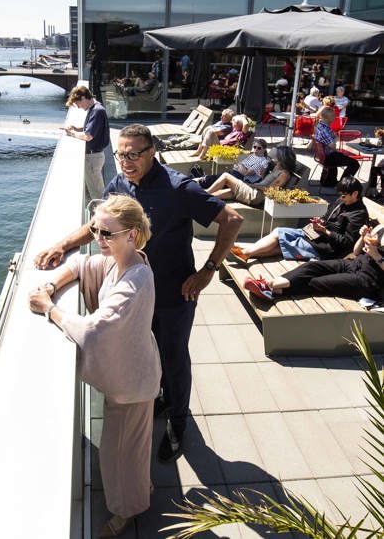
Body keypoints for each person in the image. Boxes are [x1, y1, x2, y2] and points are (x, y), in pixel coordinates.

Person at [34, 124, 243, 463]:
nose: (126, 161)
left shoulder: (178, 189)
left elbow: (231, 219)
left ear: (151, 152)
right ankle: (162, 397)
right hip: (137, 292)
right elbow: (97, 225)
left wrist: (207, 272)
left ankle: (178, 424)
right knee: (149, 351)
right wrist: (62, 245)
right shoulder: (121, 184)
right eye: (121, 154)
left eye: (134, 154)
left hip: (175, 295)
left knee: (174, 358)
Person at [29, 195, 161, 538]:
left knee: (119, 456)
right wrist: (51, 283)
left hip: (132, 383)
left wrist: (49, 308)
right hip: (137, 371)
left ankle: (128, 510)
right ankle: (140, 490)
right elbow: (81, 266)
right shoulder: (122, 260)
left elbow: (93, 329)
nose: (98, 238)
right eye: (95, 229)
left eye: (106, 233)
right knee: (133, 446)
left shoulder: (132, 283)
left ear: (131, 234)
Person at [230, 176, 369, 263]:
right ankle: (246, 252)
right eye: (339, 195)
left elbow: (347, 243)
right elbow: (327, 217)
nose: (340, 198)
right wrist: (319, 222)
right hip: (316, 235)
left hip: (327, 248)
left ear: (355, 193)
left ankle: (245, 252)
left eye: (344, 196)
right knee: (279, 232)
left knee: (283, 245)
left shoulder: (358, 214)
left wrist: (325, 231)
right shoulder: (342, 202)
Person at [243, 223, 384, 303]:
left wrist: (376, 255)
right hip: (353, 263)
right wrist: (362, 236)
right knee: (312, 266)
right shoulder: (380, 228)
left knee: (317, 282)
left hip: (368, 280)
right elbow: (356, 251)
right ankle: (269, 286)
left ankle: (269, 287)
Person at [201, 145, 297, 207]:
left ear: (282, 157)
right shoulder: (277, 167)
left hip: (256, 196)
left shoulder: (284, 174)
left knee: (226, 176)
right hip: (255, 191)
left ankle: (203, 193)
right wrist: (262, 175)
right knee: (220, 193)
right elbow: (266, 181)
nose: (273, 157)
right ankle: (199, 197)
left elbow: (271, 190)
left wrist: (252, 185)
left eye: (277, 155)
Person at [64, 84, 110, 201]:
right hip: (95, 156)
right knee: (95, 190)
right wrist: (76, 128)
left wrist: (71, 133)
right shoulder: (96, 108)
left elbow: (88, 136)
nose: (79, 107)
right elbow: (90, 129)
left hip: (92, 157)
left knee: (97, 194)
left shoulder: (97, 111)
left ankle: (102, 217)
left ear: (83, 98)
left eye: (78, 104)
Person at [194, 138, 269, 188]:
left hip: (241, 178)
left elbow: (246, 172)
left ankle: (196, 182)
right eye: (254, 147)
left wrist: (240, 165)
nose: (256, 150)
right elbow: (239, 165)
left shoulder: (262, 161)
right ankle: (196, 181)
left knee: (215, 179)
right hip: (236, 173)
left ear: (264, 149)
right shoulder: (253, 155)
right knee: (215, 177)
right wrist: (241, 165)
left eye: (259, 148)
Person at [314, 106, 359, 184]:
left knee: (342, 156)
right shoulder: (324, 129)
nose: (335, 118)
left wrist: (335, 140)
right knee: (354, 164)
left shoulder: (322, 126)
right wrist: (335, 140)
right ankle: (343, 184)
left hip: (325, 155)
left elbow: (335, 137)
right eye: (333, 116)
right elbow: (333, 145)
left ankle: (330, 182)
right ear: (327, 118)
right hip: (328, 157)